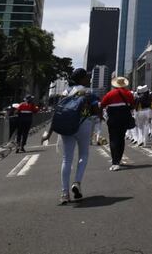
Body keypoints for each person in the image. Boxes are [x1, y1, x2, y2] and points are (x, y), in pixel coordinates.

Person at [58, 68, 101, 205]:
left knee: (66, 158)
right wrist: (99, 116)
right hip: (84, 123)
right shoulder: (88, 92)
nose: (89, 79)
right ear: (82, 78)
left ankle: (64, 193)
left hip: (67, 124)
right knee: (83, 155)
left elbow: (58, 109)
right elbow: (95, 110)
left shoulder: (65, 92)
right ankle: (77, 182)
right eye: (87, 77)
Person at [100, 76, 134, 171]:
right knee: (121, 138)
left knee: (113, 139)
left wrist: (101, 116)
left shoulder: (109, 94)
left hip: (113, 119)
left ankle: (115, 162)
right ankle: (119, 159)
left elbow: (102, 105)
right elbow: (132, 104)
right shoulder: (128, 93)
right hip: (124, 118)